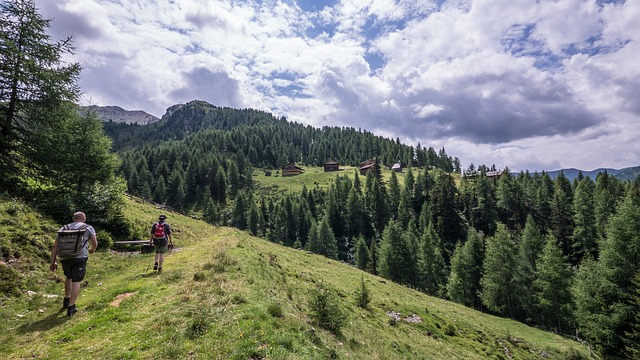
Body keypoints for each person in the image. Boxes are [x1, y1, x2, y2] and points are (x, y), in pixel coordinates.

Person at [49, 212, 98, 317]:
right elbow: (94, 242)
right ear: (83, 218)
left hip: (65, 257)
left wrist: (53, 262)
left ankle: (66, 299)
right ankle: (71, 307)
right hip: (80, 257)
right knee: (76, 281)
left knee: (68, 277)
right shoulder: (88, 228)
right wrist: (92, 249)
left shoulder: (64, 228)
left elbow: (55, 246)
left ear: (73, 218)